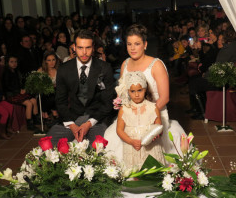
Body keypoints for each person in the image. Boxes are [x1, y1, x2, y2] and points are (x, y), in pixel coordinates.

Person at [104, 24, 185, 160]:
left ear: (145, 44)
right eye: (129, 44)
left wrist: (146, 115)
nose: (132, 48)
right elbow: (123, 92)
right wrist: (124, 107)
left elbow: (164, 98)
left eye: (137, 44)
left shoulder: (156, 65)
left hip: (155, 115)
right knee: (111, 136)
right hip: (131, 116)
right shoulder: (125, 64)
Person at [46, 29, 115, 145]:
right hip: (72, 117)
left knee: (99, 148)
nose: (84, 52)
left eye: (87, 48)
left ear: (93, 47)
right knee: (47, 143)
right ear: (74, 48)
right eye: (80, 48)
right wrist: (72, 125)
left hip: (97, 118)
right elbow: (60, 101)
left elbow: (107, 103)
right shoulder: (64, 69)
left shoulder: (104, 68)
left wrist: (89, 123)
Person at [116, 71, 165, 168]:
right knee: (134, 172)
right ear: (128, 91)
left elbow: (159, 127)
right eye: (132, 91)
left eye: (140, 90)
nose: (136, 95)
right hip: (132, 147)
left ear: (145, 89)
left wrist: (155, 135)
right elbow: (119, 130)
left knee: (151, 171)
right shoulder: (124, 109)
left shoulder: (153, 107)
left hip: (150, 147)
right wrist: (130, 141)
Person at [2, 55, 39, 130]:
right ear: (7, 63)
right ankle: (29, 124)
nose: (14, 64)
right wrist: (19, 91)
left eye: (15, 62)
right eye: (11, 62)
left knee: (34, 100)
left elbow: (20, 83)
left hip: (18, 93)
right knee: (28, 103)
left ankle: (36, 120)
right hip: (11, 94)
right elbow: (7, 86)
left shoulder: (16, 71)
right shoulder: (6, 73)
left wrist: (23, 89)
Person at [37, 52, 60, 125]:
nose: (51, 62)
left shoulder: (59, 70)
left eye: (53, 60)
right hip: (44, 94)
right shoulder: (41, 70)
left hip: (56, 92)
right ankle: (51, 113)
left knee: (55, 93)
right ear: (45, 61)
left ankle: (49, 114)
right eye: (49, 60)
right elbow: (37, 85)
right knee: (47, 93)